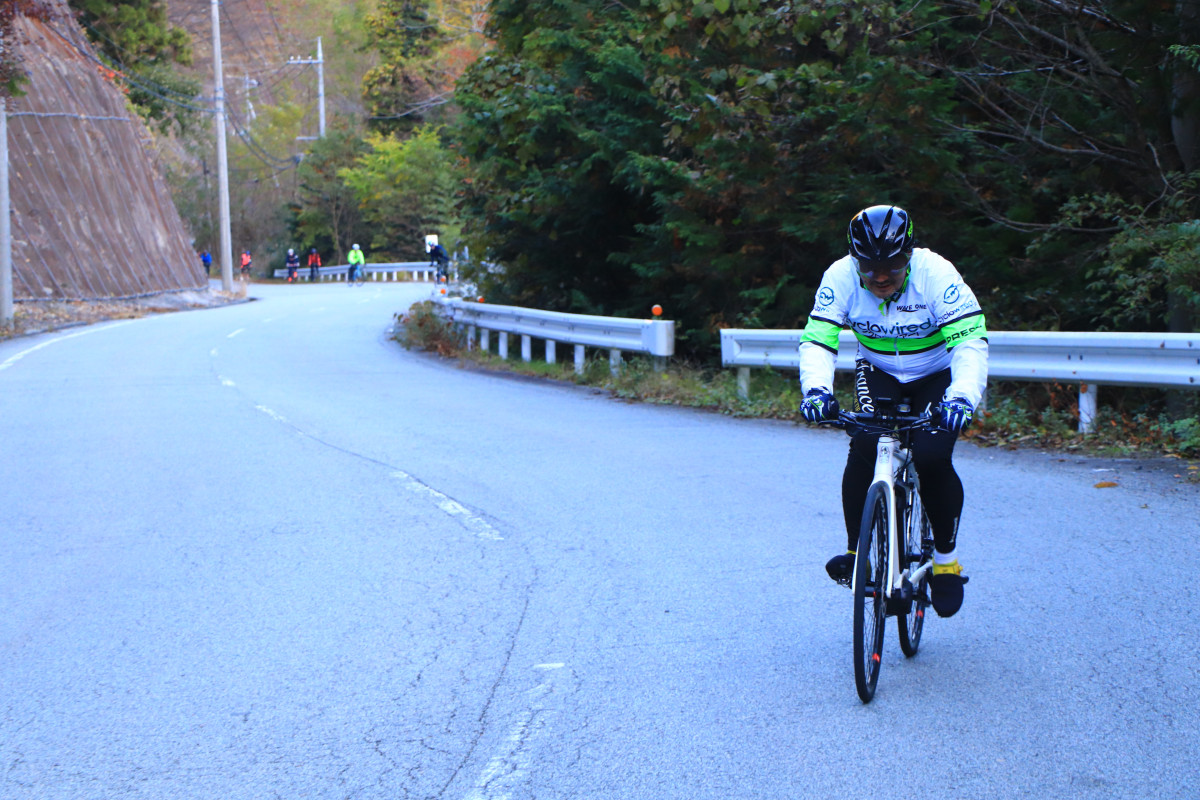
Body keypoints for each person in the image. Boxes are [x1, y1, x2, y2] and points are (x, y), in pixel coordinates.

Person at [798, 205, 988, 618]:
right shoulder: (840, 277)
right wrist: (816, 390)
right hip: (879, 370)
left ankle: (944, 561)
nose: (881, 277)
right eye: (870, 268)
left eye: (893, 267)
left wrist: (962, 397)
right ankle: (858, 554)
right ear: (855, 260)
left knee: (933, 457)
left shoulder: (936, 275)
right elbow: (818, 341)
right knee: (864, 443)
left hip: (935, 374)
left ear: (910, 255)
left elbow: (970, 342)